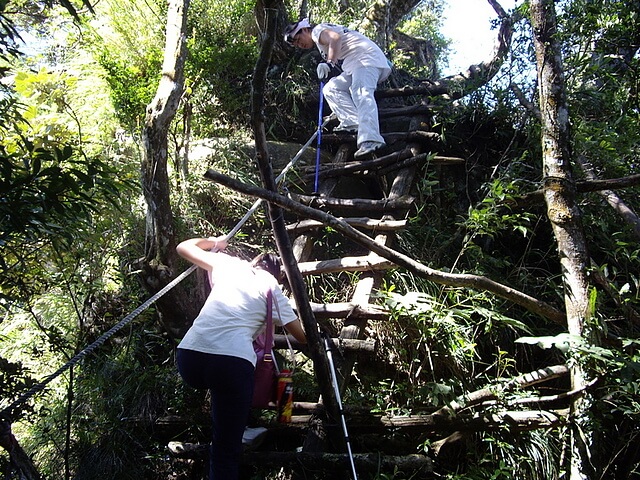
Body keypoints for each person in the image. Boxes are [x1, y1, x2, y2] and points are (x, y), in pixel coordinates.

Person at [175, 236, 307, 480]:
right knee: (225, 449)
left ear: (254, 262)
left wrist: (214, 241)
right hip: (230, 364)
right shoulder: (272, 288)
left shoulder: (230, 265)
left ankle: (239, 427)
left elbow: (182, 247)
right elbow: (301, 336)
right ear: (278, 275)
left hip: (189, 357)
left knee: (221, 388)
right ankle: (238, 431)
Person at [284, 18, 392, 159]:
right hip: (355, 65)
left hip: (365, 59)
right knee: (331, 89)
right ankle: (352, 121)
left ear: (305, 29)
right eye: (296, 44)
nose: (299, 45)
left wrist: (329, 63)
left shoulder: (317, 31)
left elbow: (335, 38)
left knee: (361, 92)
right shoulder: (319, 39)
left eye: (298, 40)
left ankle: (371, 138)